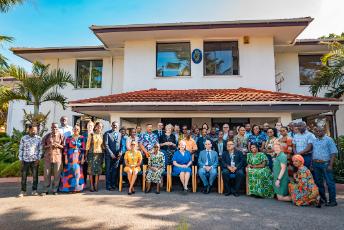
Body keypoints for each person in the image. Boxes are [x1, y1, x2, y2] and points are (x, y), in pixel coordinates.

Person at [312, 127, 338, 207]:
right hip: (316, 164)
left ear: (324, 131)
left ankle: (333, 201)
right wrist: (311, 164)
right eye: (316, 131)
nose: (318, 132)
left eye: (320, 131)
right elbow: (313, 152)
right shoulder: (315, 140)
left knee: (329, 183)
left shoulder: (329, 139)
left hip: (325, 164)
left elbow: (333, 153)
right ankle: (323, 200)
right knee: (319, 183)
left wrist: (330, 164)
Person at [59, 125, 85, 193]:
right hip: (70, 156)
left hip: (78, 157)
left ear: (79, 130)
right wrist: (66, 158)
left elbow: (83, 149)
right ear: (73, 130)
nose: (76, 130)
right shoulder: (69, 138)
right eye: (75, 129)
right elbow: (66, 148)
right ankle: (70, 188)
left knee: (78, 172)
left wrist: (83, 158)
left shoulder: (82, 138)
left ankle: (78, 188)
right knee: (70, 172)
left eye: (77, 129)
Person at [18, 125, 42, 197]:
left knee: (35, 176)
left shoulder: (39, 138)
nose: (34, 131)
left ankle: (34, 191)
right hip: (25, 160)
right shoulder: (24, 138)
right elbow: (21, 149)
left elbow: (40, 149)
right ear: (29, 130)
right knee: (24, 176)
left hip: (35, 160)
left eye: (35, 130)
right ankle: (23, 191)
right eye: (33, 130)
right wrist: (21, 159)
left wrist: (38, 158)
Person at [41, 123, 64, 195]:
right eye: (53, 128)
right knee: (47, 174)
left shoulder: (61, 136)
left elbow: (64, 146)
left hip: (57, 157)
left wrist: (57, 145)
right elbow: (43, 146)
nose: (54, 129)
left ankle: (55, 189)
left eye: (56, 128)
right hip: (48, 157)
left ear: (58, 128)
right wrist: (49, 145)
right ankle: (46, 190)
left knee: (57, 174)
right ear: (51, 128)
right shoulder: (47, 136)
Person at [86, 122, 104, 192]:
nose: (100, 127)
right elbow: (87, 145)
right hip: (91, 154)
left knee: (98, 170)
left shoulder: (102, 135)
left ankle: (96, 184)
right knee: (91, 170)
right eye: (99, 126)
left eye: (101, 126)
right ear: (95, 127)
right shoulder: (91, 134)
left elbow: (103, 146)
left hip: (99, 154)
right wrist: (85, 155)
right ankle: (91, 185)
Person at [103, 121, 121, 191]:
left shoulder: (119, 134)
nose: (115, 126)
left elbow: (121, 145)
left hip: (117, 156)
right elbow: (106, 145)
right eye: (114, 125)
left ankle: (113, 185)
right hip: (109, 155)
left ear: (118, 126)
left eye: (116, 125)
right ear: (111, 125)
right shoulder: (107, 133)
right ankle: (108, 185)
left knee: (114, 171)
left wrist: (120, 152)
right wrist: (111, 154)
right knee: (108, 171)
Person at [82, 121, 94, 186]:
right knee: (85, 168)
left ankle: (93, 183)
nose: (90, 127)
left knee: (93, 169)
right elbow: (83, 145)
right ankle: (84, 183)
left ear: (93, 126)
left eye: (91, 126)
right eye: (89, 125)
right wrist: (84, 155)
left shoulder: (95, 134)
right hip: (85, 153)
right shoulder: (84, 135)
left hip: (93, 154)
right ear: (87, 126)